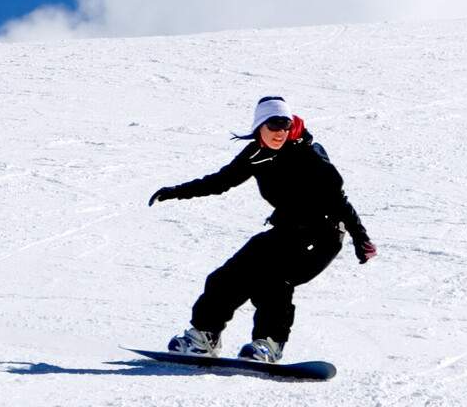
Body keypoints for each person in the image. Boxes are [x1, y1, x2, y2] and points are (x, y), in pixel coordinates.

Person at [149, 95, 376, 362]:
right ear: (260, 127)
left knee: (273, 280)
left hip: (322, 234)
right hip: (287, 231)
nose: (280, 133)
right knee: (228, 275)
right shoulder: (256, 154)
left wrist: (361, 239)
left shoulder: (309, 155)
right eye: (274, 126)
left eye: (285, 126)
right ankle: (204, 336)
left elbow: (338, 200)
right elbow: (220, 181)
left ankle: (269, 344)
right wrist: (175, 192)